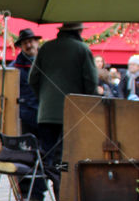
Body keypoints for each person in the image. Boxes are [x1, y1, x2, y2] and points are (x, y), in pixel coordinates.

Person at [29, 22, 98, 171]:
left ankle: (39, 189)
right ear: (79, 31)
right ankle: (61, 184)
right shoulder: (82, 49)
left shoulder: (46, 48)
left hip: (46, 113)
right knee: (66, 156)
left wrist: (44, 99)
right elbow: (91, 82)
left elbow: (32, 79)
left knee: (46, 153)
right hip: (72, 113)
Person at [10, 28, 47, 201]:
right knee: (26, 157)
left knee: (46, 156)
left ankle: (39, 195)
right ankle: (28, 196)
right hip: (25, 117)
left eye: (32, 41)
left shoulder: (46, 63)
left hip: (45, 117)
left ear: (37, 42)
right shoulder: (15, 68)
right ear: (20, 46)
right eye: (25, 42)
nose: (29, 44)